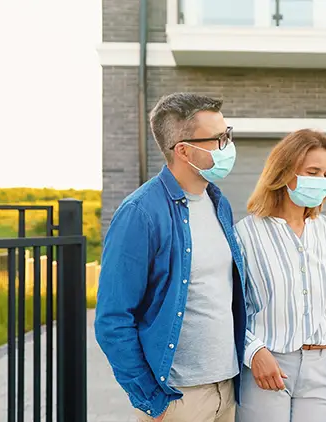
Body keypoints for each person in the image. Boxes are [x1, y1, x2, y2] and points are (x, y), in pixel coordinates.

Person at [94, 92, 247, 422]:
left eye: (228, 134)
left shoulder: (218, 203)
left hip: (226, 389)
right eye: (219, 139)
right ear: (184, 149)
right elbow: (113, 319)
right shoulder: (140, 213)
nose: (228, 146)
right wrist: (151, 400)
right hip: (179, 401)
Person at [233, 129, 326, 422]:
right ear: (284, 171)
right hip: (266, 366)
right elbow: (232, 308)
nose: (321, 182)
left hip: (321, 368)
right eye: (312, 171)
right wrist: (253, 352)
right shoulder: (245, 233)